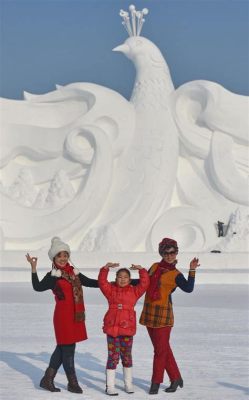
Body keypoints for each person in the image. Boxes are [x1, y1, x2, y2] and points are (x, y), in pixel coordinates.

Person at [26, 236, 99, 394]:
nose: (63, 258)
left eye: (65, 255)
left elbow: (93, 283)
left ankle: (47, 379)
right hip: (63, 318)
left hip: (76, 316)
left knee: (63, 348)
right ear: (54, 258)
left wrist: (120, 282)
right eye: (59, 255)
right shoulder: (53, 276)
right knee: (68, 349)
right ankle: (72, 383)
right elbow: (37, 287)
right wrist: (33, 268)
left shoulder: (74, 273)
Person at [139, 237, 200, 395]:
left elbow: (188, 288)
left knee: (159, 351)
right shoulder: (153, 267)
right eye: (166, 252)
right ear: (161, 253)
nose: (169, 255)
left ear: (176, 253)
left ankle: (155, 382)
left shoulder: (175, 274)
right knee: (163, 349)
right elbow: (144, 282)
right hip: (149, 312)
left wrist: (192, 270)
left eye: (172, 252)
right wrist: (122, 281)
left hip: (163, 316)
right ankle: (176, 378)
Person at [98, 262, 150, 396]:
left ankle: (128, 384)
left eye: (125, 277)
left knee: (126, 356)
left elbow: (144, 284)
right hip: (112, 329)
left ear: (129, 279)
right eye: (120, 277)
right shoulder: (110, 291)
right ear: (116, 278)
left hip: (127, 329)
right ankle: (110, 386)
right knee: (113, 357)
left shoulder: (134, 291)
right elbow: (102, 282)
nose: (122, 279)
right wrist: (105, 269)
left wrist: (141, 270)